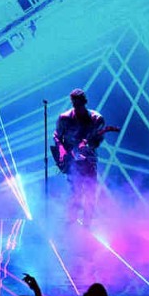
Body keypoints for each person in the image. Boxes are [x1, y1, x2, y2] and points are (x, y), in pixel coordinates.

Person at [52, 88, 113, 228]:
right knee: (75, 191)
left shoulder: (96, 119)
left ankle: (87, 226)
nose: (76, 107)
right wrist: (62, 150)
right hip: (70, 160)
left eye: (79, 104)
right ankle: (72, 223)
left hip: (88, 159)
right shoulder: (64, 118)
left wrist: (86, 145)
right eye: (74, 104)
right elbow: (56, 135)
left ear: (84, 102)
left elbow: (97, 140)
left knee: (90, 192)